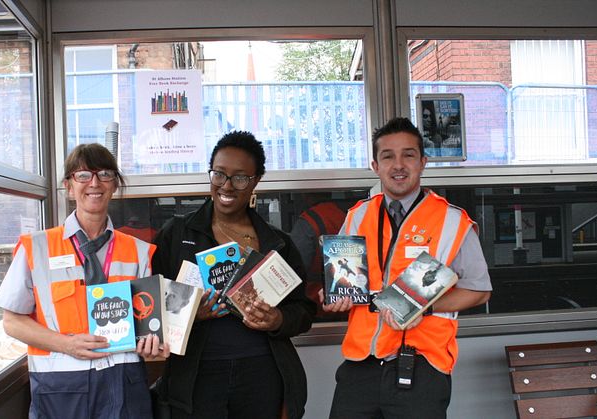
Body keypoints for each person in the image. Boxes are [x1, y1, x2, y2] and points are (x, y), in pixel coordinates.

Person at [323, 117, 491, 419]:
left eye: (408, 155)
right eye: (388, 156)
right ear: (376, 166)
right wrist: (338, 296)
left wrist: (422, 308)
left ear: (423, 162)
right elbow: (346, 280)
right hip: (360, 364)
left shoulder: (452, 221)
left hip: (421, 365)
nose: (398, 164)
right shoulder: (358, 215)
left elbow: (479, 291)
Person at [0, 143, 169, 419]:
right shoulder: (36, 247)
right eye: (83, 175)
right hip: (60, 388)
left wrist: (152, 343)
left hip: (124, 386)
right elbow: (12, 321)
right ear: (68, 186)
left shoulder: (139, 251)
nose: (95, 183)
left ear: (114, 185)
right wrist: (67, 344)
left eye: (105, 174)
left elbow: (147, 323)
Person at [152, 130, 316, 419]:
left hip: (262, 372)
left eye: (240, 177)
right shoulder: (176, 234)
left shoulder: (276, 243)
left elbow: (303, 310)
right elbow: (150, 305)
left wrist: (277, 319)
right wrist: (191, 312)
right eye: (219, 174)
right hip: (196, 375)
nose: (227, 185)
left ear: (256, 181)